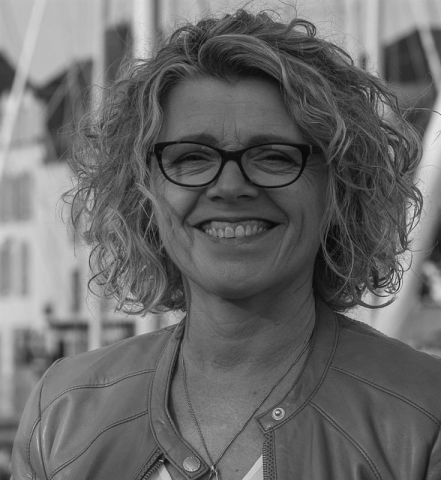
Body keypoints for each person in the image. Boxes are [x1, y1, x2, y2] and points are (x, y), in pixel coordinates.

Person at [11, 8, 441, 480]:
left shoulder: (424, 418)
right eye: (192, 157)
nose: (230, 186)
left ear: (339, 186)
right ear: (144, 192)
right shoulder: (62, 415)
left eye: (274, 156)